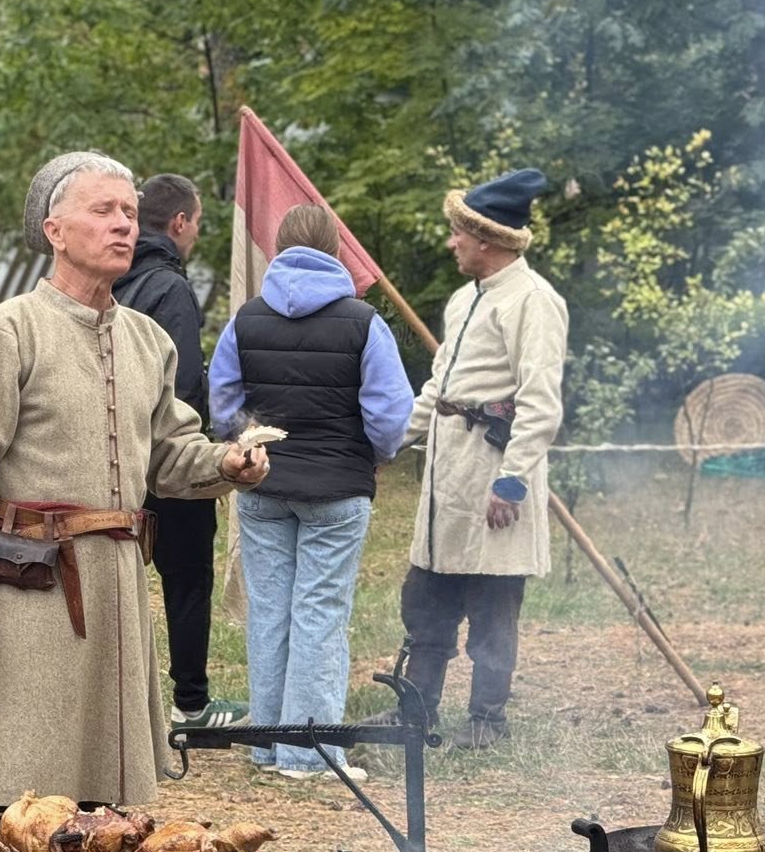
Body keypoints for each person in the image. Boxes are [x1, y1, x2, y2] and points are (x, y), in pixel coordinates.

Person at [0, 151, 269, 852]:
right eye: (103, 209)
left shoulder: (148, 340)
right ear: (54, 229)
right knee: (2, 794)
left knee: (101, 789)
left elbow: (170, 454)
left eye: (130, 211)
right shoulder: (4, 334)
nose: (124, 223)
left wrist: (225, 463)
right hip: (25, 591)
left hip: (113, 593)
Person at [208, 204, 413, 784]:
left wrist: (244, 443)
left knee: (269, 612)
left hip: (262, 484)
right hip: (338, 488)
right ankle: (309, 753)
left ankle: (268, 744)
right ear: (335, 250)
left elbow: (223, 405)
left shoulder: (245, 320)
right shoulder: (363, 323)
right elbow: (390, 415)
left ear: (279, 250)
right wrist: (373, 454)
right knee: (320, 613)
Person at [399, 169, 568, 749]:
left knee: (493, 606)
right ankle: (416, 712)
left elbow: (540, 404)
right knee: (427, 598)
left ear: (487, 240)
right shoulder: (463, 299)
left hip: (495, 470)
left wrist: (512, 482)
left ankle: (487, 720)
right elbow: (439, 388)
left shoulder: (534, 302)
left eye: (459, 234)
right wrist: (391, 442)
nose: (452, 243)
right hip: (450, 472)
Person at [112, 173, 245, 732]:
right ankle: (191, 703)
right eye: (198, 224)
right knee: (187, 578)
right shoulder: (169, 287)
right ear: (181, 222)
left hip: (115, 455)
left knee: (115, 578)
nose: (196, 235)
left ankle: (115, 704)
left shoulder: (112, 279)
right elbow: (183, 383)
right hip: (168, 456)